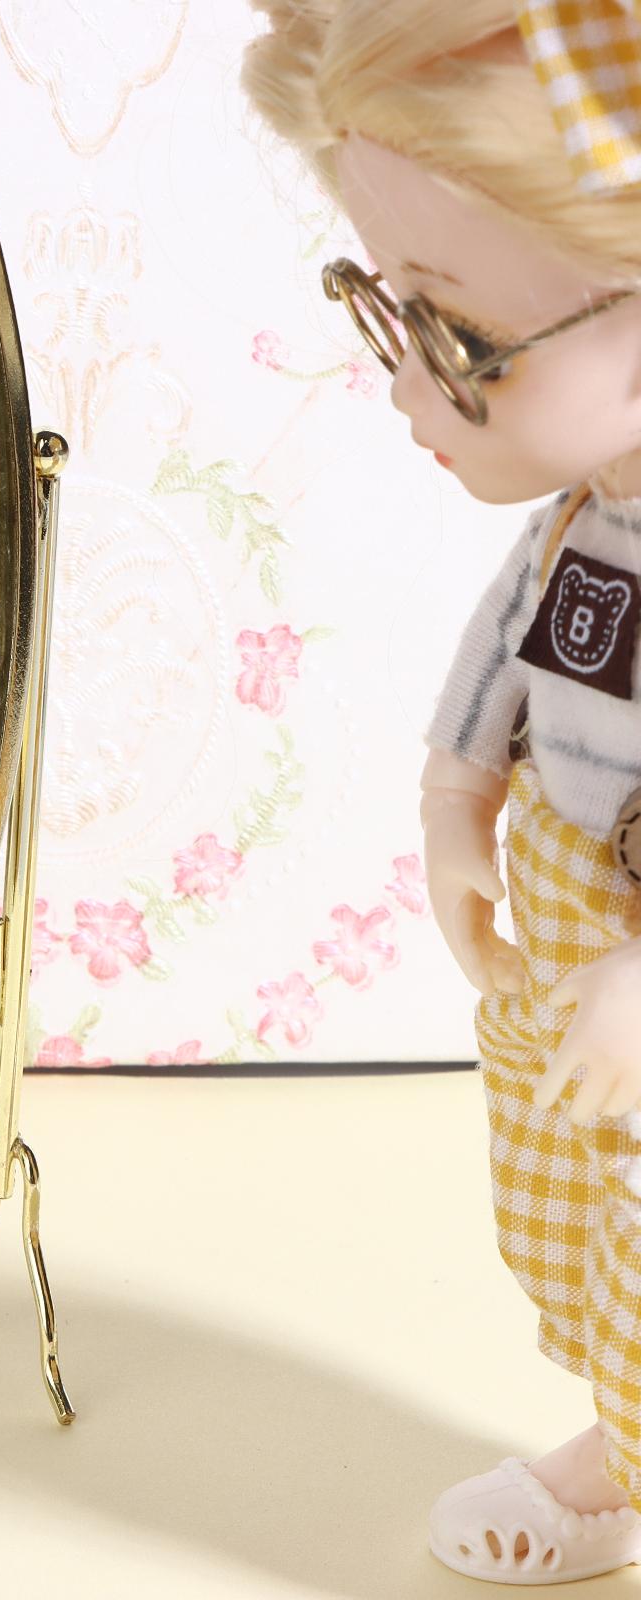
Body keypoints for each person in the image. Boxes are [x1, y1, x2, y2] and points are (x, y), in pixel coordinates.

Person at [246, 0, 641, 1582]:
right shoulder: (584, 522)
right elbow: (515, 651)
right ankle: (625, 1451)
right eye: (390, 309)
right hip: (567, 926)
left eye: (458, 334)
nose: (414, 385)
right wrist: (452, 796)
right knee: (579, 1197)